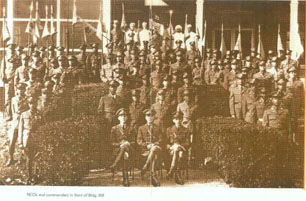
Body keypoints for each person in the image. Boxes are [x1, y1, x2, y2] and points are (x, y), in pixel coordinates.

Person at [110, 108, 135, 187]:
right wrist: (119, 145)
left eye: (125, 116)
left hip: (130, 149)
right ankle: (125, 179)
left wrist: (128, 143)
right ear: (118, 118)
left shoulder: (131, 128)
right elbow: (112, 143)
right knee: (124, 153)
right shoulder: (114, 129)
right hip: (118, 151)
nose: (123, 117)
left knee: (125, 148)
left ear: (127, 117)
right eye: (121, 116)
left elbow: (134, 142)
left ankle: (114, 165)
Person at [18, 97, 41, 184]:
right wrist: (20, 142)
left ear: (36, 104)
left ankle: (35, 176)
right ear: (28, 104)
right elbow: (20, 129)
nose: (32, 105)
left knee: (36, 158)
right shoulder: (24, 114)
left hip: (36, 137)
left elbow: (42, 126)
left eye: (34, 103)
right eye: (31, 103)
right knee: (29, 158)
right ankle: (29, 176)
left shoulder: (39, 114)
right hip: (26, 139)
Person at [137, 109, 162, 187]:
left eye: (152, 116)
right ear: (145, 117)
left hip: (157, 148)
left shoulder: (158, 127)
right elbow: (139, 141)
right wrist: (147, 145)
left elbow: (161, 139)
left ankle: (145, 166)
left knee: (154, 148)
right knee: (154, 153)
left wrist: (154, 144)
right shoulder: (141, 128)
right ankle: (153, 176)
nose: (150, 117)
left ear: (154, 117)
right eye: (148, 116)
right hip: (146, 150)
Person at [6, 83, 28, 166]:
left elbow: (26, 110)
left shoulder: (27, 99)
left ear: (25, 90)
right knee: (12, 141)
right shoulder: (14, 99)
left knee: (24, 140)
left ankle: (23, 158)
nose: (21, 91)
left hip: (23, 122)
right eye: (19, 89)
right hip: (16, 122)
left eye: (23, 89)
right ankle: (10, 158)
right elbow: (15, 110)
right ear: (17, 90)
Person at [165, 111, 191, 185]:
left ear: (182, 119)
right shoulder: (169, 130)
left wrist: (180, 146)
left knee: (179, 152)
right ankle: (177, 175)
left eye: (180, 119)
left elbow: (188, 143)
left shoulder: (186, 130)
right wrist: (170, 147)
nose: (178, 121)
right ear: (173, 120)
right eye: (176, 119)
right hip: (171, 150)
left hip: (182, 149)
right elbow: (166, 143)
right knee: (178, 152)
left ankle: (172, 171)